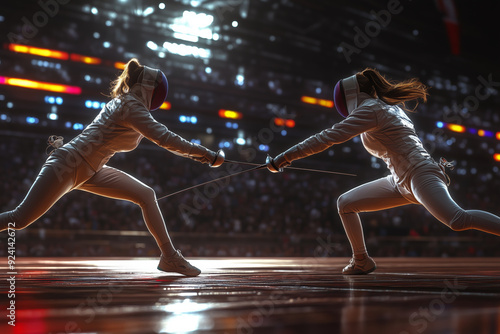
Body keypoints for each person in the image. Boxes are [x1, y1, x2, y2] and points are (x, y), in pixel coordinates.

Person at [0, 58, 225, 276]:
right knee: (19, 219)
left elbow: (162, 138)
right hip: (68, 164)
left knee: (146, 194)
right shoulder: (129, 107)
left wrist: (203, 155)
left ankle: (169, 257)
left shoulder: (129, 104)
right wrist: (205, 153)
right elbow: (164, 138)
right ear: (148, 88)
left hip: (92, 170)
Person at [266, 68, 500, 275]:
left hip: (420, 173)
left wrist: (284, 158)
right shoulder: (385, 107)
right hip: (400, 180)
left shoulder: (372, 109)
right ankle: (361, 261)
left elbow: (326, 138)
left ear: (350, 96)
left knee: (457, 219)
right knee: (345, 203)